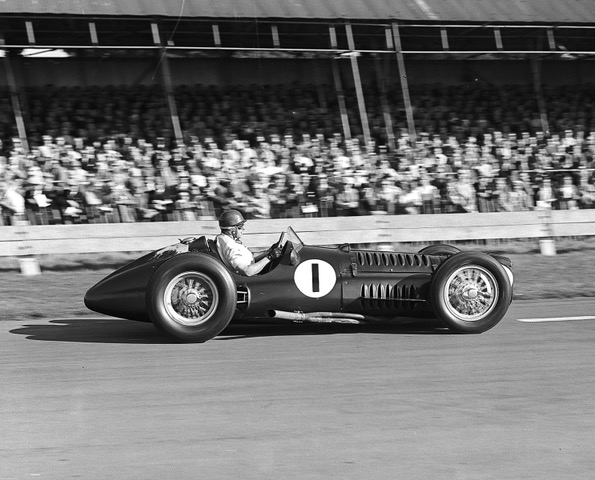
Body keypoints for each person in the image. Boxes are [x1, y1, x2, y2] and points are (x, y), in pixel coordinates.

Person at [215, 209, 282, 276]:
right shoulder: (231, 248)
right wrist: (269, 257)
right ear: (230, 230)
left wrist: (269, 251)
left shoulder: (223, 240)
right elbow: (247, 271)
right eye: (240, 227)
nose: (243, 228)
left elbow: (250, 258)